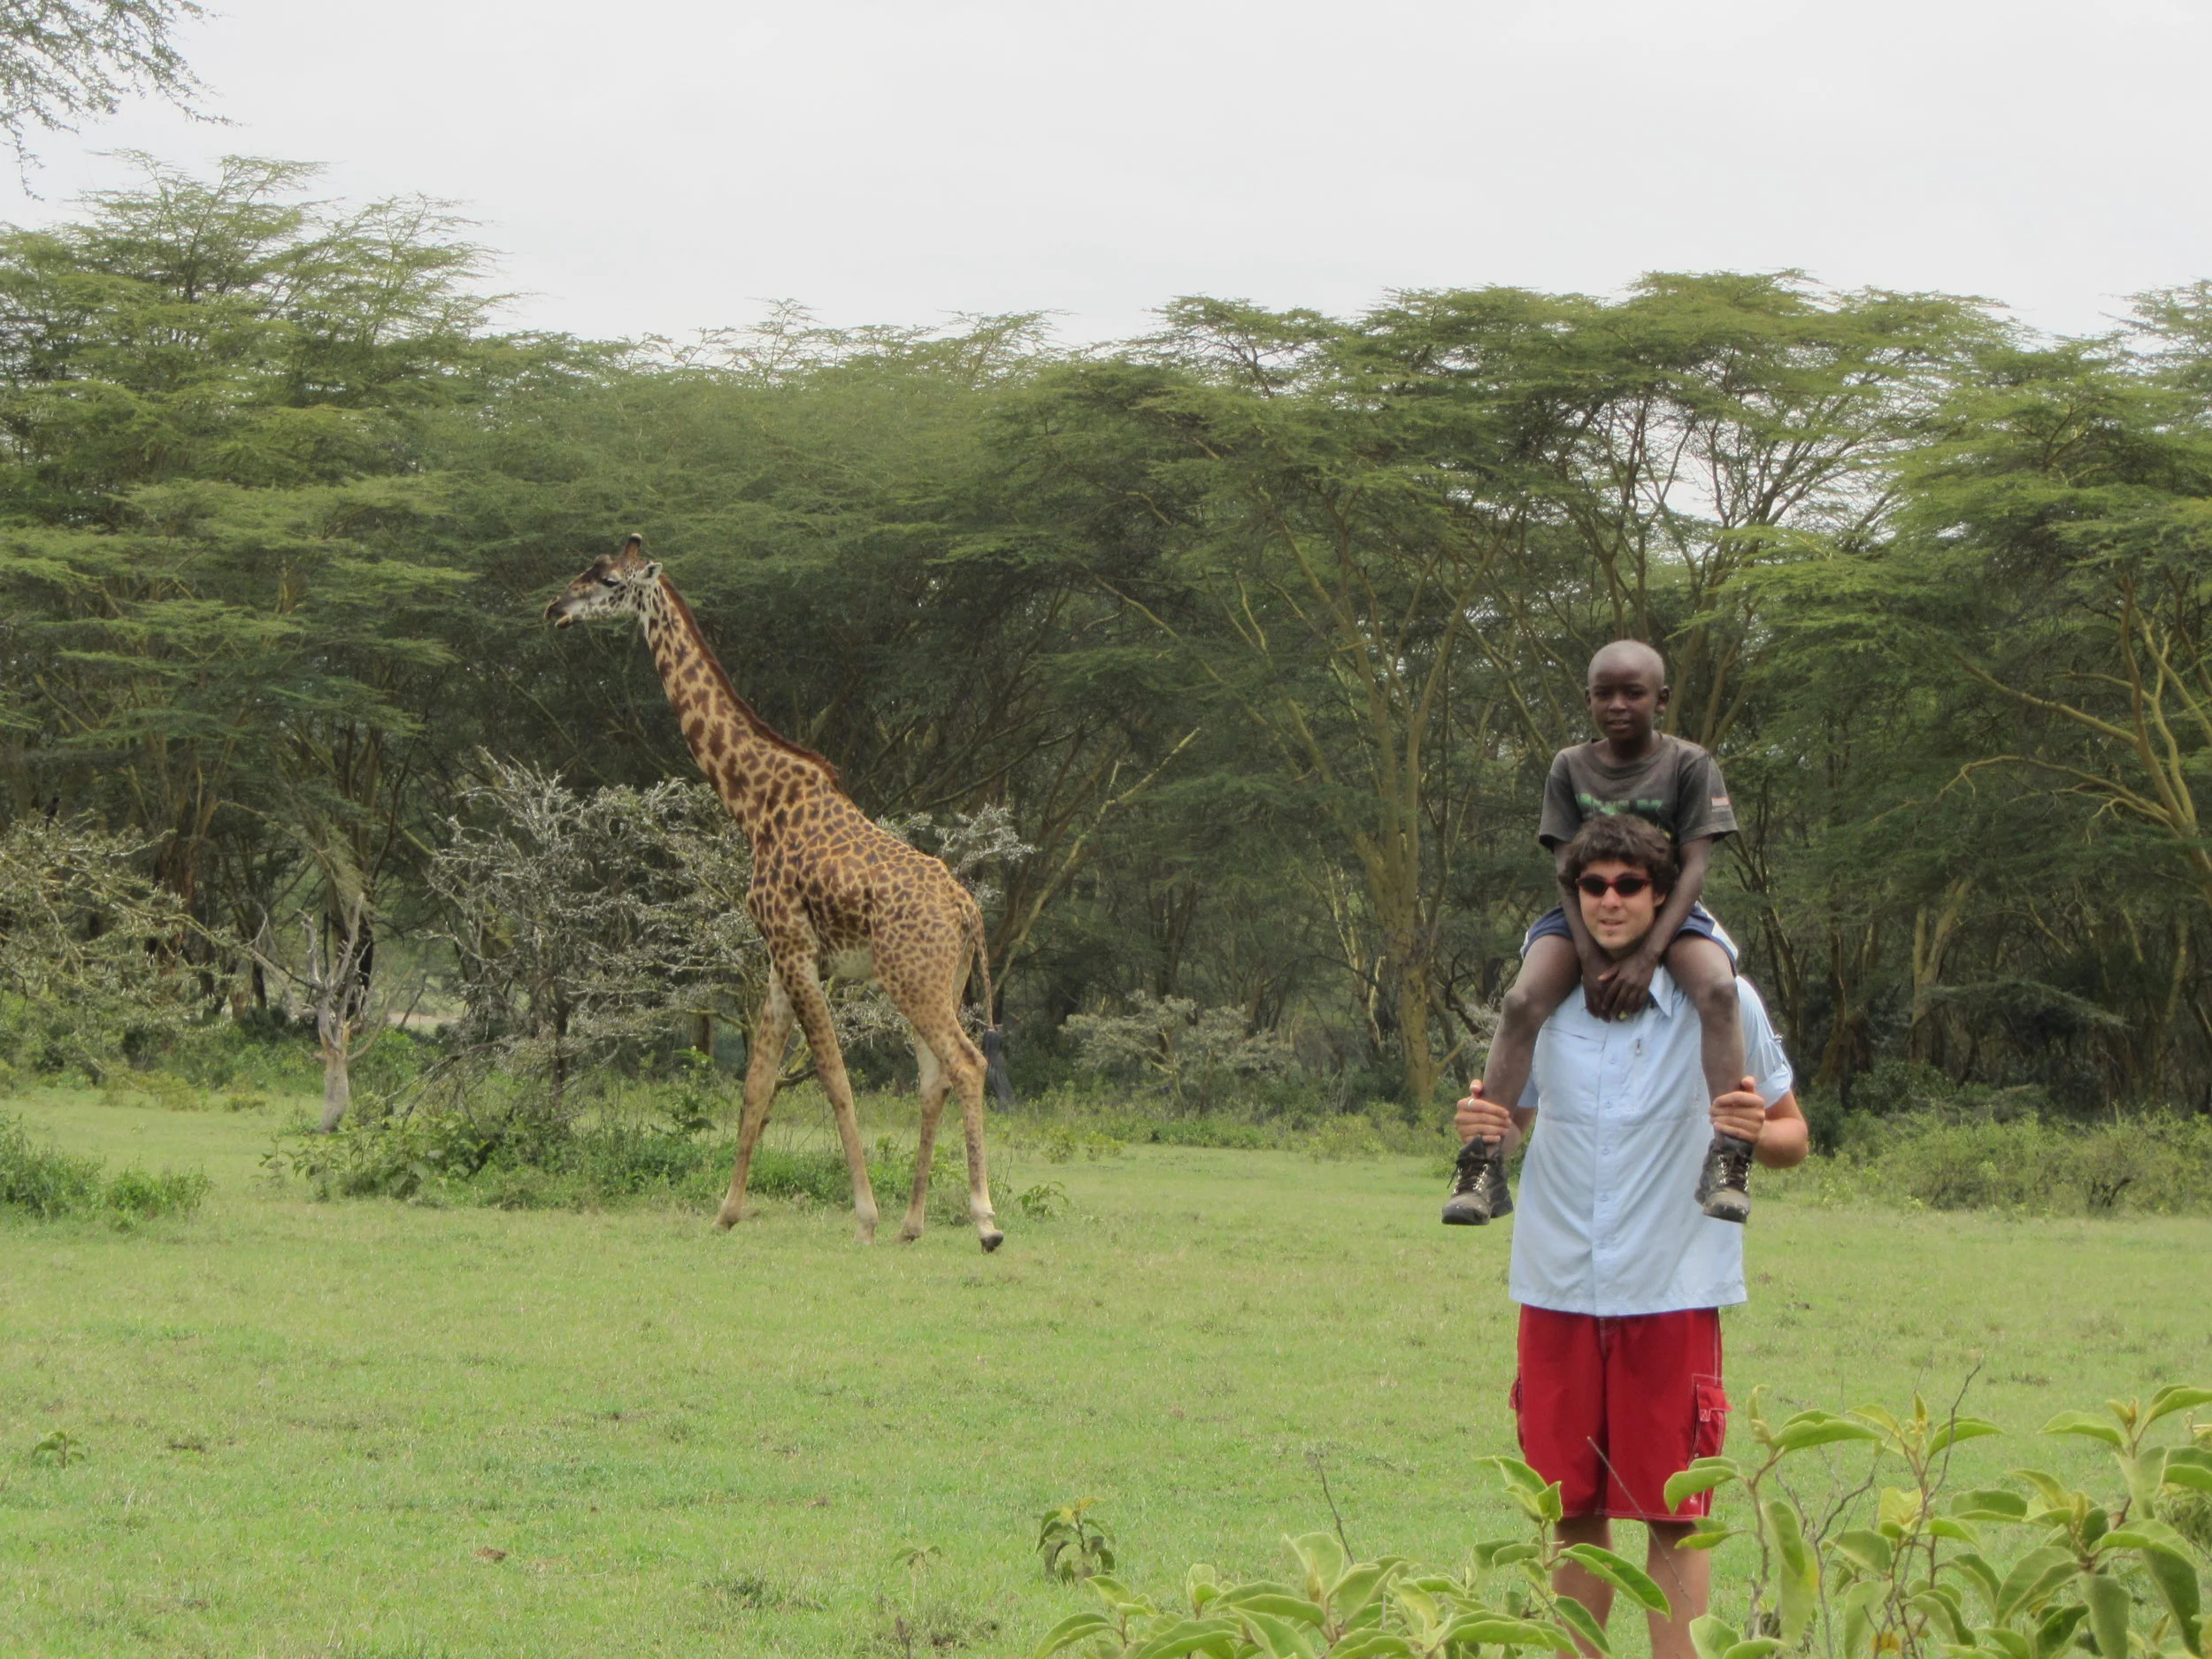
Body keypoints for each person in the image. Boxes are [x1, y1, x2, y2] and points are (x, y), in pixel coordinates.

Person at [1454, 813, 1808, 1659]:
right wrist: (1476, 1125)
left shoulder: (1724, 1000)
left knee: (1673, 1515)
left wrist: (1754, 1129)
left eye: (1629, 886)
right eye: (1593, 886)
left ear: (1662, 897)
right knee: (1569, 1510)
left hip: (1673, 1285)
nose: (1610, 901)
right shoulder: (1545, 1002)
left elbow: (1794, 1138)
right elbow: (1507, 1129)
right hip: (1558, 1282)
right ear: (1573, 898)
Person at [1445, 640, 1753, 1226]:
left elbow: (1695, 867)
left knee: (1718, 991)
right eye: (1604, 693)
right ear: (1587, 699)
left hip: (1670, 907)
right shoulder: (1569, 766)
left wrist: (1648, 956)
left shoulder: (1690, 763)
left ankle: (1730, 1156)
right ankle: (1481, 1163)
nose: (1618, 704)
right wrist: (1588, 956)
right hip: (1581, 909)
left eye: (1633, 692)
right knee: (1521, 1000)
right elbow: (1565, 869)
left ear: (1660, 699)